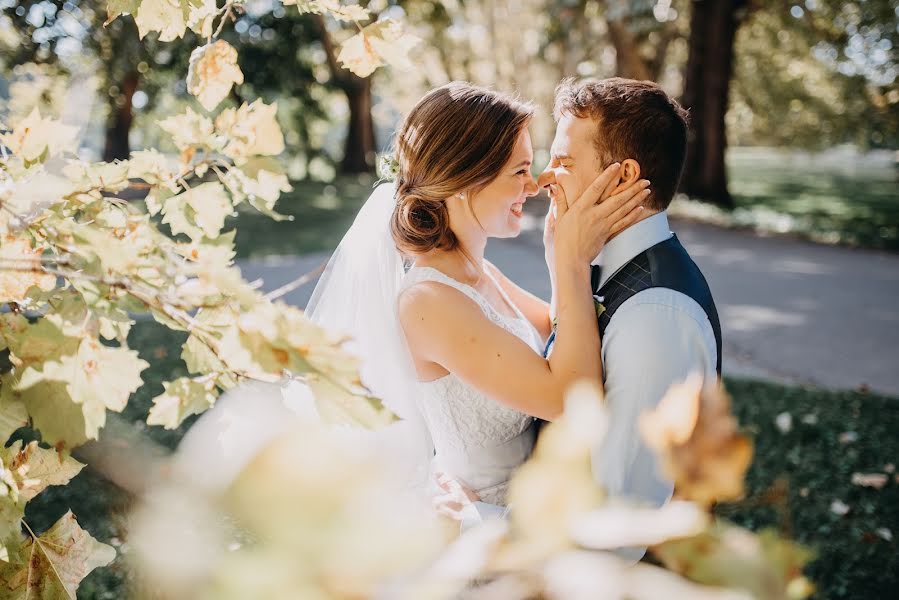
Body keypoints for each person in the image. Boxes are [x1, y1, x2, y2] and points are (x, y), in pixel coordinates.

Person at [299, 81, 649, 509]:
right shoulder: (429, 302)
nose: (534, 186)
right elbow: (570, 401)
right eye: (519, 171)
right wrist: (571, 264)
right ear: (467, 179)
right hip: (489, 521)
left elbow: (563, 333)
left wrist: (559, 257)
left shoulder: (481, 274)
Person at [437, 78, 722, 560]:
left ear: (623, 177)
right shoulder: (608, 270)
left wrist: (471, 522)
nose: (545, 179)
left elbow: (619, 523)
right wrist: (562, 264)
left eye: (563, 162)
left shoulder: (654, 315)